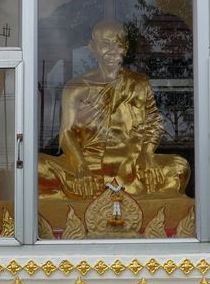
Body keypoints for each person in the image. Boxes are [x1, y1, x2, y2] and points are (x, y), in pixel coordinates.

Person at [38, 20, 190, 199]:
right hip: (89, 164)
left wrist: (147, 154)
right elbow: (66, 133)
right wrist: (81, 167)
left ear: (125, 47)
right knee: (35, 167)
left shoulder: (139, 83)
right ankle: (137, 197)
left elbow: (153, 124)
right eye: (105, 43)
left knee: (180, 167)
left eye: (118, 43)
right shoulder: (76, 87)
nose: (112, 49)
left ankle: (102, 195)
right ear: (92, 47)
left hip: (132, 165)